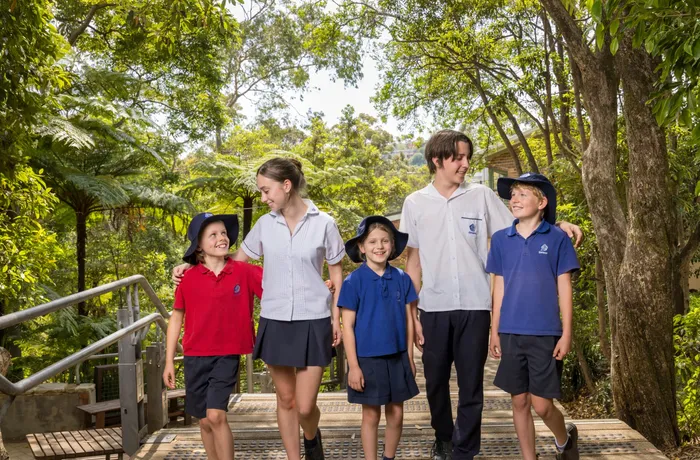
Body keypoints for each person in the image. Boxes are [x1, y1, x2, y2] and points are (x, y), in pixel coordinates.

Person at [399, 130, 583, 460]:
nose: (466, 164)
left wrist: (559, 225)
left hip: (476, 305)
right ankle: (444, 438)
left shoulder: (481, 196)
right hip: (434, 306)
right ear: (437, 160)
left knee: (471, 384)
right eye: (458, 157)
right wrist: (412, 313)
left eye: (468, 157)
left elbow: (522, 224)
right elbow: (413, 261)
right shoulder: (415, 203)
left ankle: (464, 450)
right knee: (436, 382)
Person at [172, 157, 345, 460]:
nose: (263, 198)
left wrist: (336, 317)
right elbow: (234, 261)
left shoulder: (324, 223)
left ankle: (311, 436)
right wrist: (191, 265)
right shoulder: (265, 225)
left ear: (286, 186)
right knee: (286, 400)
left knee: (305, 407)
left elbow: (336, 273)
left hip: (314, 319)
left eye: (266, 191)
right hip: (275, 320)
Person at [486, 173, 580, 460]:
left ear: (542, 203)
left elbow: (564, 288)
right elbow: (498, 288)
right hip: (510, 332)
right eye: (513, 194)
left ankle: (564, 440)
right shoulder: (501, 239)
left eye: (523, 194)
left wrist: (566, 334)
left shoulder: (558, 238)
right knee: (519, 402)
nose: (514, 199)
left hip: (546, 333)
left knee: (542, 405)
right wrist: (494, 330)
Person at [163, 212, 263, 460]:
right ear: (199, 246)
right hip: (194, 356)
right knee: (205, 420)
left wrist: (318, 287)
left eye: (224, 233)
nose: (222, 238)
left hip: (227, 355)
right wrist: (168, 361)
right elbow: (176, 318)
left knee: (216, 415)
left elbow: (279, 290)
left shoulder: (245, 272)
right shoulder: (187, 278)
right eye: (213, 234)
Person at [339, 216, 420, 460]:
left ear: (392, 245)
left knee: (396, 413)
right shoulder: (353, 281)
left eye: (385, 241)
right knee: (371, 415)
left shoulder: (402, 279)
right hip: (367, 359)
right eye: (372, 241)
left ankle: (389, 457)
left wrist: (410, 358)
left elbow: (408, 321)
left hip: (398, 357)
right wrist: (353, 366)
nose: (379, 246)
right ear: (362, 247)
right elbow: (347, 327)